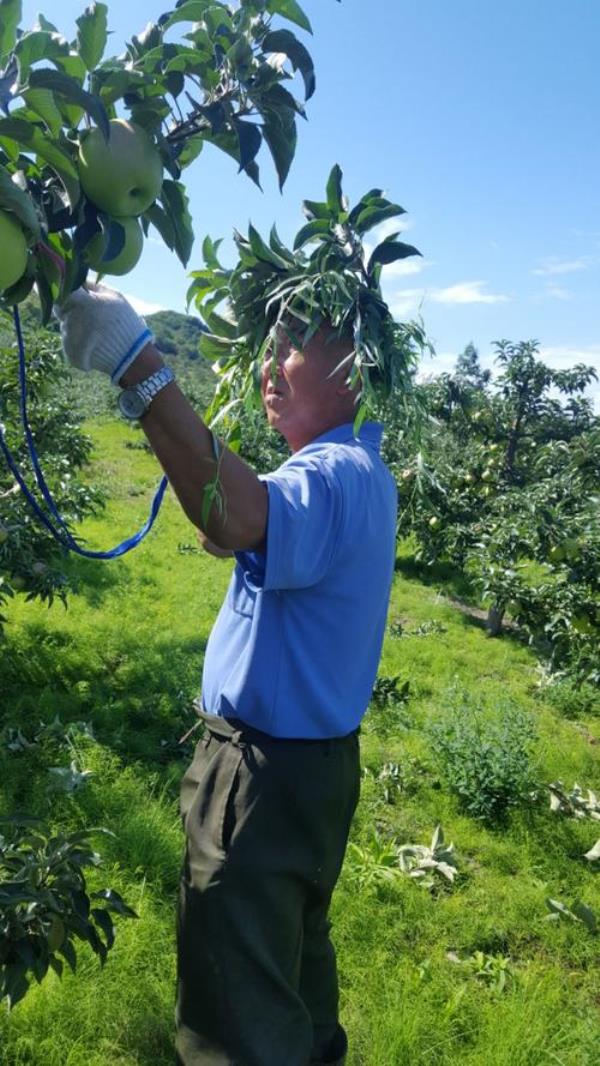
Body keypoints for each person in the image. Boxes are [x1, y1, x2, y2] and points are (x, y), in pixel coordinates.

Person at [58, 283, 398, 1066]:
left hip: (260, 784)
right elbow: (249, 524)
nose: (270, 366)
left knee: (233, 1008)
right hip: (315, 774)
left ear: (354, 365)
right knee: (290, 969)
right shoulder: (357, 470)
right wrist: (239, 520)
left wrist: (136, 363)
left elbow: (238, 515)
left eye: (291, 345)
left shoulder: (334, 473)